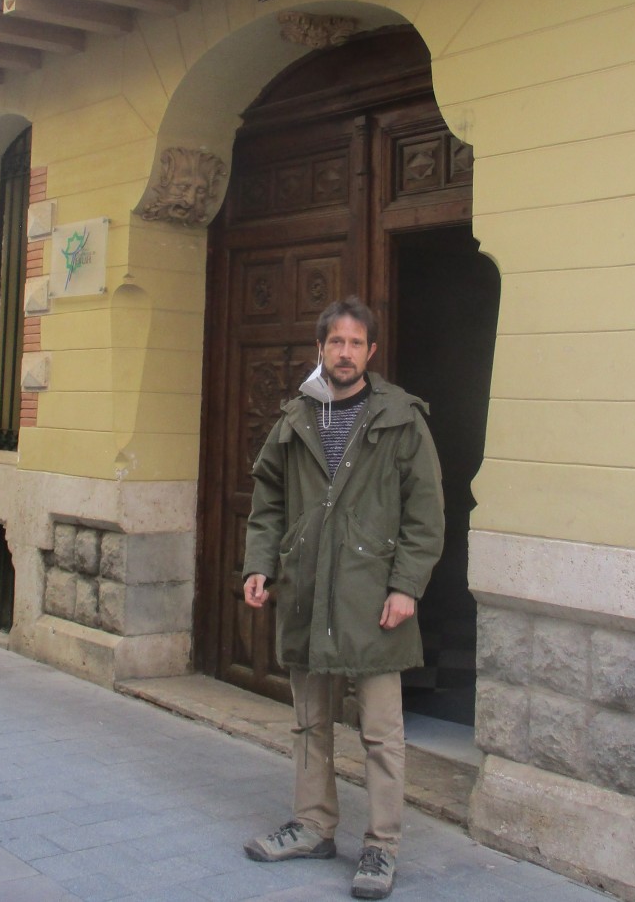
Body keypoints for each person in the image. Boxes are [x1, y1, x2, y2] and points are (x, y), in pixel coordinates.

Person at [241, 297, 445, 900]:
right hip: (307, 593)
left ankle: (381, 848)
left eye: (357, 344)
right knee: (309, 723)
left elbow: (425, 514)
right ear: (322, 348)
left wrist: (407, 586)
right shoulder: (296, 417)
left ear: (371, 352)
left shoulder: (400, 418)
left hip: (374, 598)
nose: (346, 353)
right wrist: (259, 564)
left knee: (381, 733)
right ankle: (312, 826)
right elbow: (268, 501)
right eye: (336, 343)